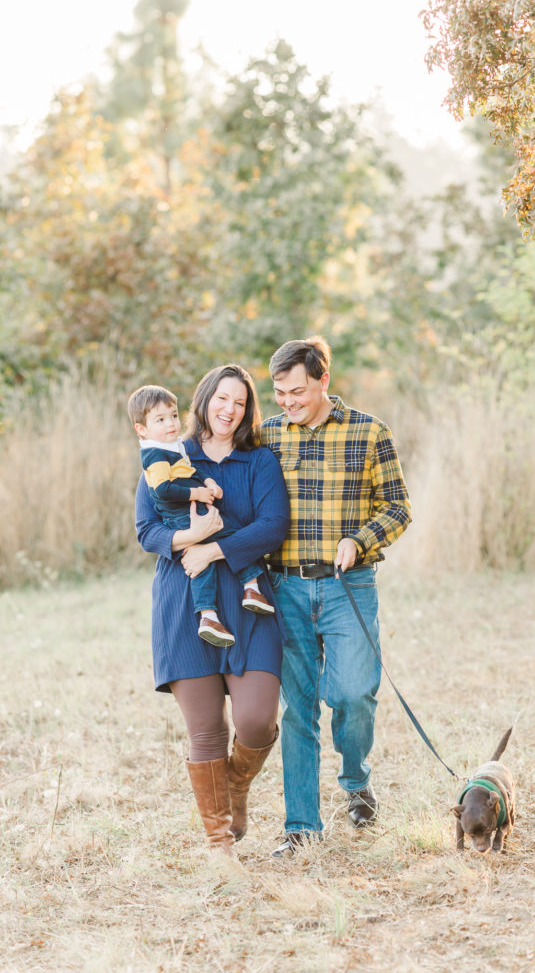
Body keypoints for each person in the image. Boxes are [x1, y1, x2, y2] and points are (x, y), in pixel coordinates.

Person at [260, 336, 411, 857]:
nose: (287, 401)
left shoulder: (370, 433)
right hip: (286, 589)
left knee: (352, 694)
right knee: (298, 710)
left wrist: (359, 539)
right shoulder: (267, 437)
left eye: (297, 391)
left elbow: (398, 508)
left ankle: (356, 778)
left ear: (324, 380)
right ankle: (301, 826)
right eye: (279, 392)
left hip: (349, 586)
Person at [135, 365, 290, 859]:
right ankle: (220, 845)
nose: (230, 409)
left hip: (249, 601)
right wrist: (192, 540)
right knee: (206, 730)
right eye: (222, 399)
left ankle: (236, 786)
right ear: (204, 401)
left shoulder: (259, 460)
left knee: (256, 721)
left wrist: (215, 551)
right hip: (185, 602)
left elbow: (273, 527)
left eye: (240, 403)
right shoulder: (168, 455)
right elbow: (146, 531)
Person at [128, 383, 274, 648]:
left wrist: (207, 483)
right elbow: (162, 491)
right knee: (224, 540)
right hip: (182, 517)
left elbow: (189, 472)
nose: (171, 423)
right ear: (142, 429)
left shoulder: (174, 448)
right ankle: (232, 597)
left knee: (222, 544)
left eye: (173, 416)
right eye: (160, 419)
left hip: (193, 511)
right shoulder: (155, 453)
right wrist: (195, 512)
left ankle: (231, 600)